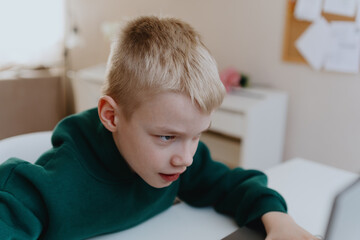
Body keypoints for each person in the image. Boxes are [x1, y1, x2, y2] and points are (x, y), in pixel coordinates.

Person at [0, 16, 319, 240]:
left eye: (197, 135)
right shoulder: (61, 179)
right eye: (167, 137)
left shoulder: (178, 163)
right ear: (111, 116)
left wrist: (278, 220)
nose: (186, 158)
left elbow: (234, 184)